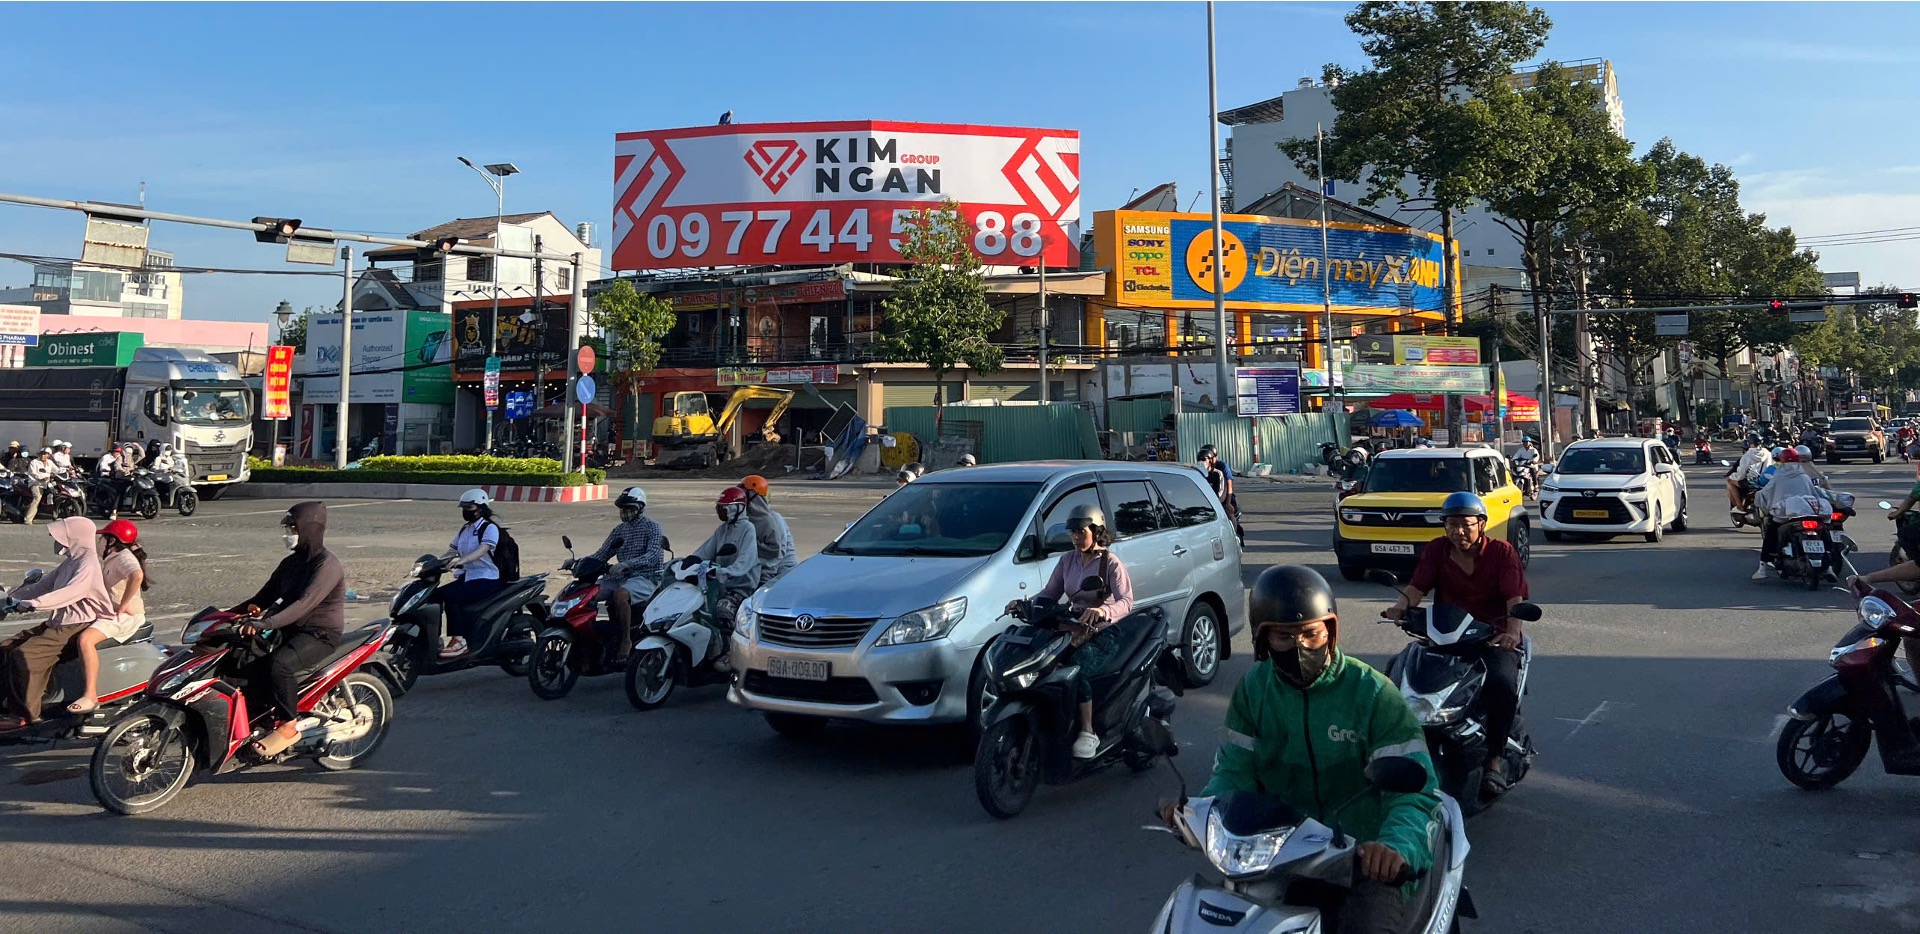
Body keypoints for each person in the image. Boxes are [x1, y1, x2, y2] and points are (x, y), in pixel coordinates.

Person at [1163, 565, 1441, 933]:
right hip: (1277, 855)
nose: (1300, 647)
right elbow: (1232, 774)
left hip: (1362, 862)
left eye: (1311, 634)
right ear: (1263, 639)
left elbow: (1414, 796)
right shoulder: (1254, 692)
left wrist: (1393, 848)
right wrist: (1197, 812)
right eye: (1284, 636)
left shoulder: (1374, 695)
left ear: (1331, 631)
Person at [1382, 491, 1528, 796]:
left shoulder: (1501, 552)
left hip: (1490, 638)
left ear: (1481, 524)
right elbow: (1417, 586)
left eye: (1465, 524)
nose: (1458, 531)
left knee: (1502, 684)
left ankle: (1495, 758)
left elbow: (1514, 597)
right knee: (1396, 671)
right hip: (1445, 636)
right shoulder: (1437, 550)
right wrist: (1400, 607)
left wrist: (1512, 632)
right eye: (1451, 524)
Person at [1003, 503, 1134, 759]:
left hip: (1102, 632)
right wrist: (1024, 604)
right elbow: (1049, 593)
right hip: (1071, 627)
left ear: (1096, 531)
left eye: (1081, 531)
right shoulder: (1067, 560)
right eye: (1072, 532)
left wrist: (1101, 611)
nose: (1075, 537)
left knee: (1075, 669)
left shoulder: (1110, 563)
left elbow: (1127, 601)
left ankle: (1088, 731)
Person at [230, 502, 345, 758]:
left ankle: (289, 724)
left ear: (309, 529)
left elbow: (304, 604)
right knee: (245, 658)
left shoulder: (326, 565)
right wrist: (224, 615)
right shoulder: (291, 563)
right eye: (287, 529)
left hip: (319, 633)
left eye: (293, 529)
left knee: (278, 665)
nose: (288, 534)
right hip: (290, 628)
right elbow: (263, 597)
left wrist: (265, 623)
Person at [0, 516, 115, 731]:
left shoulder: (88, 563)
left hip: (77, 624)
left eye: (61, 537)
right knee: (5, 648)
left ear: (75, 537)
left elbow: (71, 593)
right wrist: (12, 596)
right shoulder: (71, 562)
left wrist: (34, 604)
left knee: (25, 656)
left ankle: (24, 715)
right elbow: (43, 585)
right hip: (59, 622)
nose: (56, 541)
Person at [65, 519, 149, 713]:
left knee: (86, 640)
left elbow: (137, 575)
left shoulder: (123, 557)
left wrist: (124, 603)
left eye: (102, 538)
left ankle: (90, 695)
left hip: (127, 616)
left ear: (112, 541)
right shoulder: (113, 557)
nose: (99, 541)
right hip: (111, 611)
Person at [588, 486, 667, 664]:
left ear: (640, 508)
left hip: (645, 577)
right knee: (586, 594)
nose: (624, 512)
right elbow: (602, 553)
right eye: (622, 508)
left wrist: (627, 564)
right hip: (618, 577)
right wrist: (579, 562)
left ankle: (626, 640)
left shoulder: (652, 527)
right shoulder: (619, 530)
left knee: (621, 595)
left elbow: (653, 554)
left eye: (629, 508)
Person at [435, 490, 504, 659]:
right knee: (434, 596)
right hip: (468, 577)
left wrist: (461, 561)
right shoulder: (465, 529)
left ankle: (459, 641)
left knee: (452, 597)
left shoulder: (489, 528)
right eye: (464, 508)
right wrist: (434, 563)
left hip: (487, 578)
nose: (466, 511)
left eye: (469, 507)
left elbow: (482, 550)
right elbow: (451, 551)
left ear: (481, 508)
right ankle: (435, 639)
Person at [1751, 447, 1827, 582]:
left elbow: (1766, 493)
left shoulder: (1779, 477)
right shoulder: (1804, 477)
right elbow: (1814, 493)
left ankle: (1763, 568)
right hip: (1807, 513)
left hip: (1785, 515)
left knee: (1771, 533)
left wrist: (1758, 497)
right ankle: (1829, 565)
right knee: (1824, 531)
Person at [690, 487, 762, 627]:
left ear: (739, 508)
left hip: (740, 586)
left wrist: (722, 572)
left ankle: (729, 640)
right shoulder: (723, 529)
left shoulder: (748, 529)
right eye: (720, 507)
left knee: (723, 609)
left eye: (726, 507)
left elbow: (744, 562)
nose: (721, 511)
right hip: (719, 584)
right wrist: (691, 560)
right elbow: (706, 550)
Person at [739, 474, 797, 586]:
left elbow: (776, 557)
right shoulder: (743, 520)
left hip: (781, 573)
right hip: (757, 571)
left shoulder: (774, 520)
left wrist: (762, 582)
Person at [1725, 437, 1772, 519]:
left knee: (1730, 482)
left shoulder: (1748, 455)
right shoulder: (1767, 452)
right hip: (1765, 481)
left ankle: (1739, 507)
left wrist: (1733, 476)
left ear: (1751, 444)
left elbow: (1741, 474)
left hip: (1752, 482)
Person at [22, 448, 55, 525]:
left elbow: (57, 470)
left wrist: (68, 470)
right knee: (37, 498)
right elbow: (32, 473)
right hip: (35, 483)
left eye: (45, 454)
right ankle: (28, 519)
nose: (43, 455)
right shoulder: (34, 462)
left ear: (49, 455)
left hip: (47, 484)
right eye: (42, 453)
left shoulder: (50, 462)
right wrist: (41, 478)